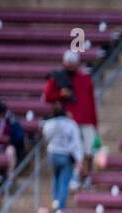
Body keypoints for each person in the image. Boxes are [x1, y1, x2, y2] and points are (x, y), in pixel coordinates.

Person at [42, 50, 99, 184]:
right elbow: (47, 96)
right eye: (68, 64)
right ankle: (75, 177)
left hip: (86, 120)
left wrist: (95, 122)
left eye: (73, 64)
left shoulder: (85, 79)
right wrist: (61, 94)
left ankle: (85, 176)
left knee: (89, 149)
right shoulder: (58, 77)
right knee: (73, 152)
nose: (71, 67)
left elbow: (91, 102)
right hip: (69, 121)